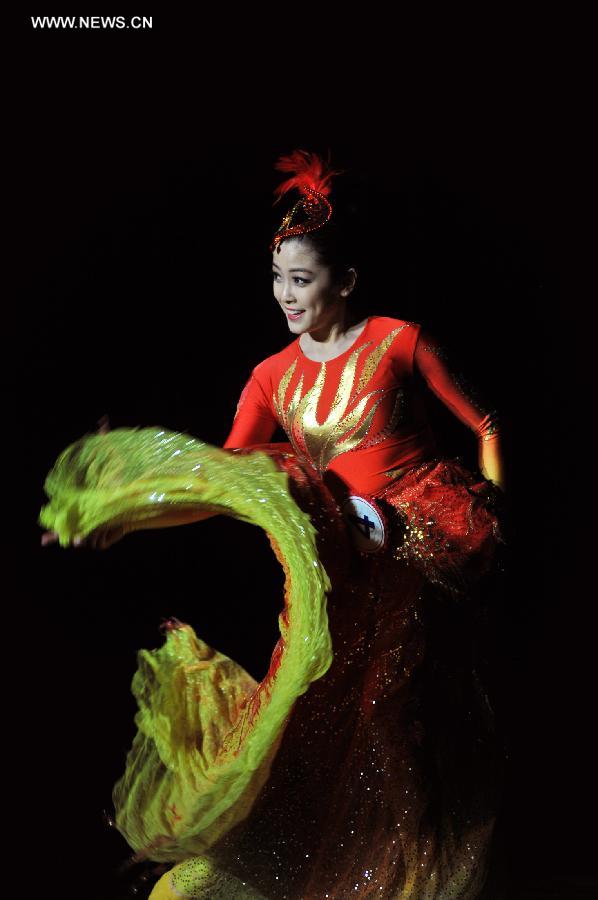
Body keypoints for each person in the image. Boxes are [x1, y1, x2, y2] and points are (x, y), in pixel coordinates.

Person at [40, 149, 506, 899]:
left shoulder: (399, 340)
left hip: (417, 552)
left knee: (400, 731)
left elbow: (485, 422)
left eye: (303, 280)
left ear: (345, 281)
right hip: (336, 571)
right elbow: (228, 485)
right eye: (277, 279)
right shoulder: (269, 375)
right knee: (319, 725)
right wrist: (128, 523)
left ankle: (413, 875)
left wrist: (486, 513)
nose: (286, 296)